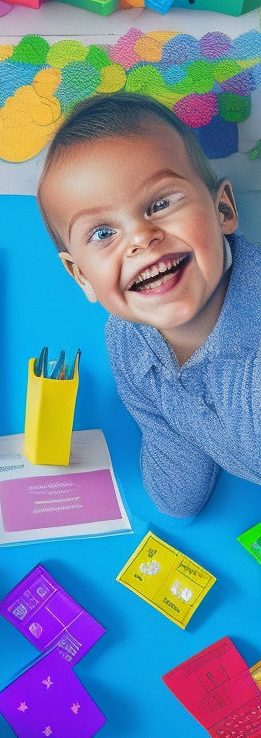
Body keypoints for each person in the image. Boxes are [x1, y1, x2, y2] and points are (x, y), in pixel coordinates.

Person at [36, 92, 261, 519]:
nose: (140, 237)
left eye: (160, 205)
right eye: (102, 233)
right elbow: (178, 487)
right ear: (82, 276)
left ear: (223, 210)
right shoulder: (127, 341)